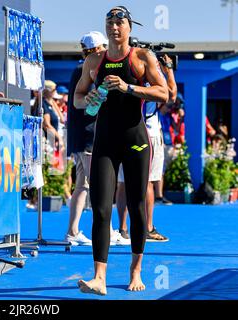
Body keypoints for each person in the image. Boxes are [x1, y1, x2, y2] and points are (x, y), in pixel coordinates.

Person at [74, 6, 168, 295]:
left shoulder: (141, 57)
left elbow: (164, 92)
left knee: (138, 208)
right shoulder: (94, 59)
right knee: (101, 209)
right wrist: (88, 97)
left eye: (120, 22)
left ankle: (135, 269)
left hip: (136, 139)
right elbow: (78, 100)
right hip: (105, 139)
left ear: (129, 27)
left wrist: (128, 88)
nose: (114, 27)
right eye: (110, 22)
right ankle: (99, 277)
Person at [65, 31, 128, 246]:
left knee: (82, 185)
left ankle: (73, 232)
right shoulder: (94, 69)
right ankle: (108, 232)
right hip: (90, 136)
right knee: (101, 186)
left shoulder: (78, 70)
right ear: (98, 49)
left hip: (78, 136)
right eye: (104, 47)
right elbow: (95, 105)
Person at [116, 54, 177, 243]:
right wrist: (168, 69)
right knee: (148, 181)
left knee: (123, 182)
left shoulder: (126, 74)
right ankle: (148, 228)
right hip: (148, 134)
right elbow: (171, 95)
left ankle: (122, 228)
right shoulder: (154, 79)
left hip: (124, 131)